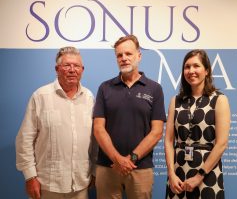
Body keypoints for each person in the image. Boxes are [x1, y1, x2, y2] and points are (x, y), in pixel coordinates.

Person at [16, 46, 95, 199]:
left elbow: (94, 141)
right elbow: (24, 139)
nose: (72, 70)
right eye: (67, 65)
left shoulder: (89, 98)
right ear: (57, 69)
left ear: (82, 69)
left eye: (76, 66)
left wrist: (93, 172)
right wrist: (30, 177)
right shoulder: (41, 96)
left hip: (80, 184)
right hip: (48, 185)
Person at [93, 34, 166, 199]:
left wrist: (130, 159)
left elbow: (156, 132)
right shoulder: (105, 88)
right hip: (108, 166)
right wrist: (117, 159)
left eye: (128, 54)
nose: (124, 58)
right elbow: (98, 129)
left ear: (139, 55)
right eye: (119, 55)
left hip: (140, 168)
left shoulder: (154, 89)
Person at [165, 49, 231, 199]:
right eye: (187, 67)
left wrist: (199, 176)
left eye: (196, 66)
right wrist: (171, 174)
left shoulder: (219, 100)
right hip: (178, 174)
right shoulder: (175, 101)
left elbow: (221, 143)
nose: (191, 71)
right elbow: (169, 141)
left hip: (207, 174)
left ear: (206, 70)